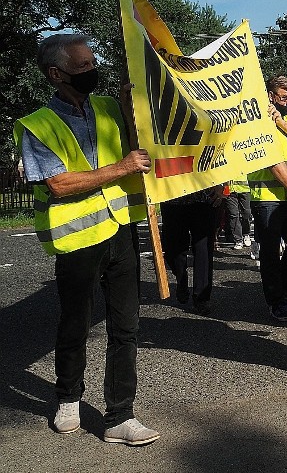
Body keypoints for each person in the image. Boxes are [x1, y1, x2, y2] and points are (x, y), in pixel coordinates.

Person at [13, 34, 159, 445]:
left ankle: (120, 416)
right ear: (56, 74)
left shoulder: (109, 107)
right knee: (75, 324)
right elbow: (59, 184)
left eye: (92, 62)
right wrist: (121, 167)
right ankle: (68, 398)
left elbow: (142, 137)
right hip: (77, 240)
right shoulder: (37, 124)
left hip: (122, 231)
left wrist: (138, 102)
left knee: (125, 326)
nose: (91, 71)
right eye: (82, 67)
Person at [247, 75, 287, 323]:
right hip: (267, 197)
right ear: (271, 96)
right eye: (284, 98)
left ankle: (283, 284)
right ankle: (276, 301)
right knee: (270, 253)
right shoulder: (257, 120)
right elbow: (270, 159)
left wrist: (280, 122)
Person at [160, 185, 225, 316]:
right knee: (173, 250)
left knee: (204, 251)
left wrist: (221, 186)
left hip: (204, 199)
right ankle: (181, 279)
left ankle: (202, 298)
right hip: (172, 197)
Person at [224, 174, 252, 250]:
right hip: (229, 190)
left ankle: (246, 233)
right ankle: (238, 240)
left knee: (246, 213)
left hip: (245, 189)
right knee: (233, 215)